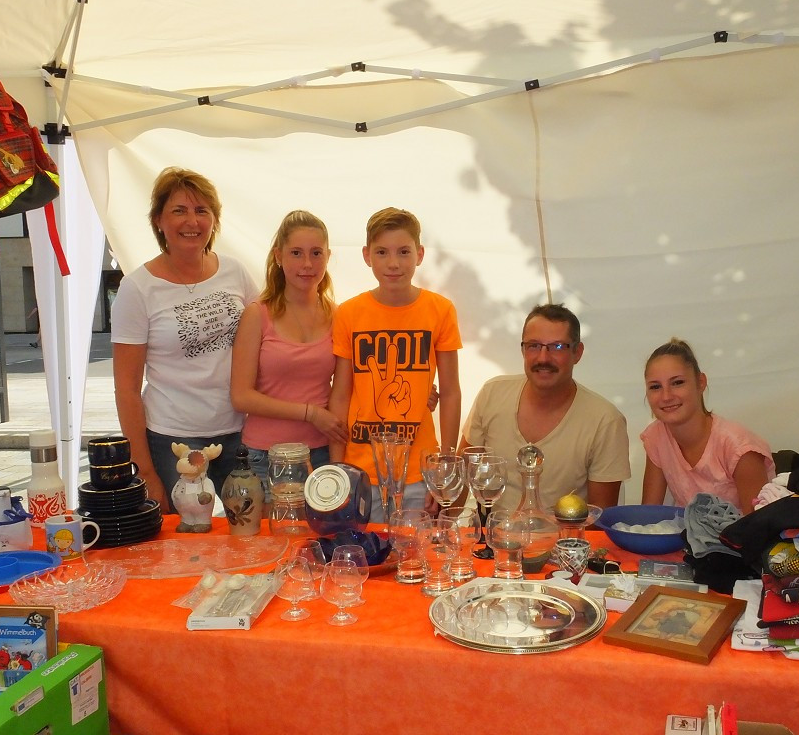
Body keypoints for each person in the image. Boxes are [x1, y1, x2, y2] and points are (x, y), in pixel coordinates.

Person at [112, 167, 259, 511]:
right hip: (172, 440)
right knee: (184, 540)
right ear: (159, 220)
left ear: (214, 220)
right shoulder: (138, 289)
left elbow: (264, 341)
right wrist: (144, 469)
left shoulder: (235, 272)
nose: (191, 221)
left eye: (202, 210)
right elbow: (126, 389)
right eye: (179, 210)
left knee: (247, 532)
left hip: (239, 432)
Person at [329, 207, 462, 520]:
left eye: (404, 252)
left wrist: (445, 465)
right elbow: (340, 393)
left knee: (415, 561)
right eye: (382, 252)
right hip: (360, 469)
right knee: (366, 559)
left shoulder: (439, 310)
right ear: (366, 255)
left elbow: (452, 391)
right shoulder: (349, 313)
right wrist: (338, 469)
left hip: (418, 469)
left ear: (419, 254)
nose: (393, 263)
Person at [460, 303, 630, 513]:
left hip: (564, 544)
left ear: (577, 352)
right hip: (491, 540)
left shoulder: (605, 420)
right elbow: (461, 474)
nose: (543, 358)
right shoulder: (492, 394)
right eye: (534, 346)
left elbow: (600, 518)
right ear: (522, 350)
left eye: (557, 347)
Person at [230, 211, 348, 502]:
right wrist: (310, 413)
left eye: (316, 253)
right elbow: (241, 396)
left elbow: (348, 389)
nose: (307, 264)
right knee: (276, 544)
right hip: (266, 456)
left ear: (328, 257)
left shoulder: (338, 315)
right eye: (296, 253)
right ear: (278, 256)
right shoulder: (257, 314)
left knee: (319, 543)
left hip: (320, 454)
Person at [640, 337, 774, 515]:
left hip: (741, 541)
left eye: (677, 383)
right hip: (686, 539)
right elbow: (647, 517)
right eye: (655, 387)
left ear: (701, 382)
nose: (666, 396)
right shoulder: (656, 436)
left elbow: (759, 528)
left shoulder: (739, 448)